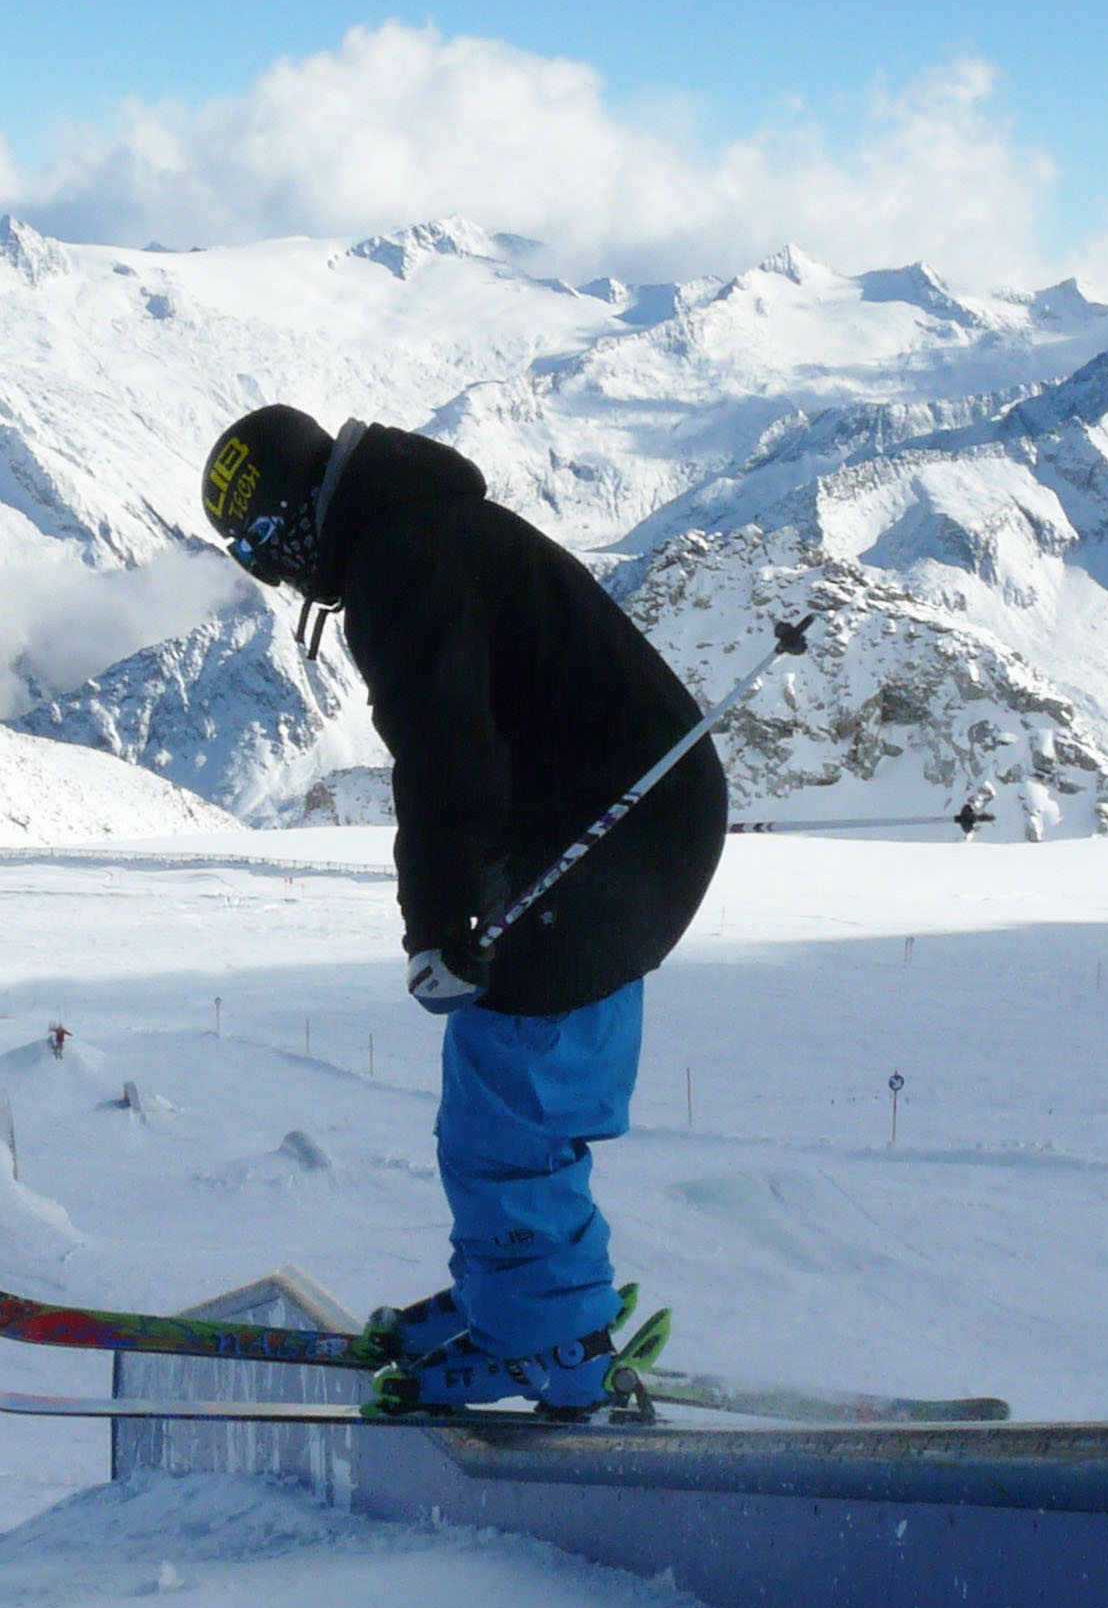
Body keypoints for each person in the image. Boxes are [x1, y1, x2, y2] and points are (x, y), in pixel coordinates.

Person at [200, 405, 726, 1414]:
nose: (275, 576)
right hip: (651, 818)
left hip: (610, 830)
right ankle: (521, 1291)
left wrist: (437, 929)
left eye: (263, 546)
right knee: (527, 1070)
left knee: (503, 1090)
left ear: (298, 509)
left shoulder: (402, 557)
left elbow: (445, 755)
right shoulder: (422, 527)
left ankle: (546, 1336)